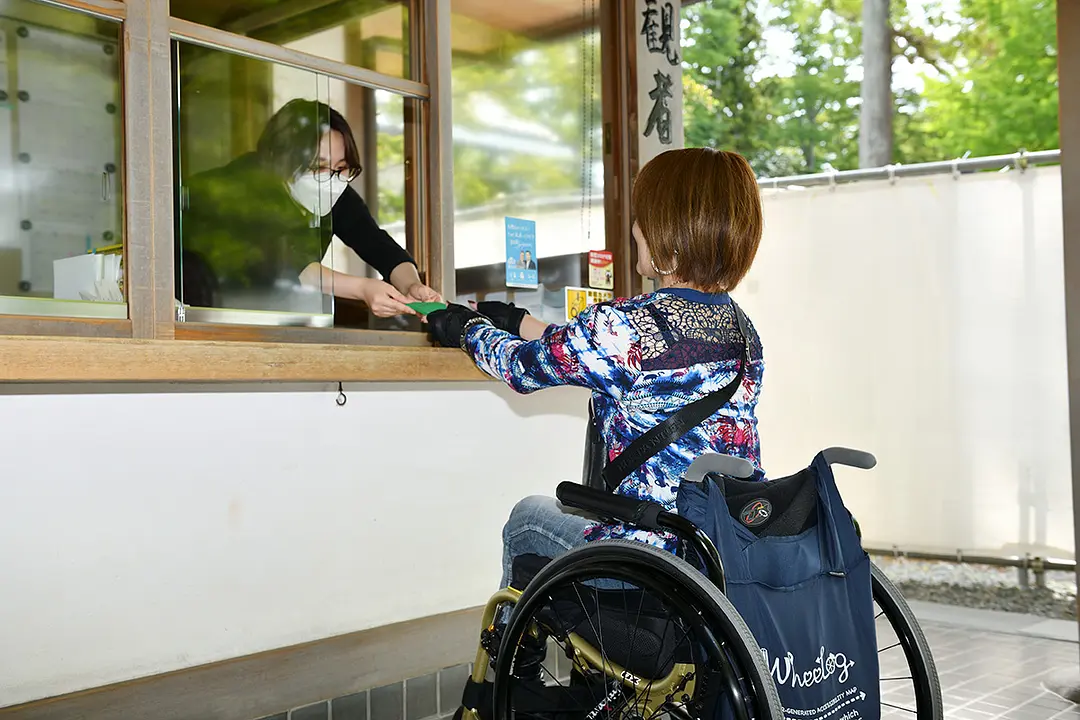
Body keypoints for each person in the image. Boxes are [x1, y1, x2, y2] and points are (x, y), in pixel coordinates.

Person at [426, 147, 766, 589]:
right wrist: (518, 322)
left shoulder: (624, 326)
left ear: (672, 235)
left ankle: (515, 658)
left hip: (647, 564)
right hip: (722, 556)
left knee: (527, 518)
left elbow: (520, 368)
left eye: (644, 216)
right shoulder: (743, 331)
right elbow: (616, 355)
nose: (635, 228)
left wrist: (466, 328)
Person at [178, 98, 439, 316]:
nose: (331, 178)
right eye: (318, 166)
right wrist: (361, 289)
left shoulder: (334, 187)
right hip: (196, 315)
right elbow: (283, 263)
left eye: (341, 167)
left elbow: (376, 244)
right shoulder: (240, 185)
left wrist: (411, 286)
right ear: (279, 159)